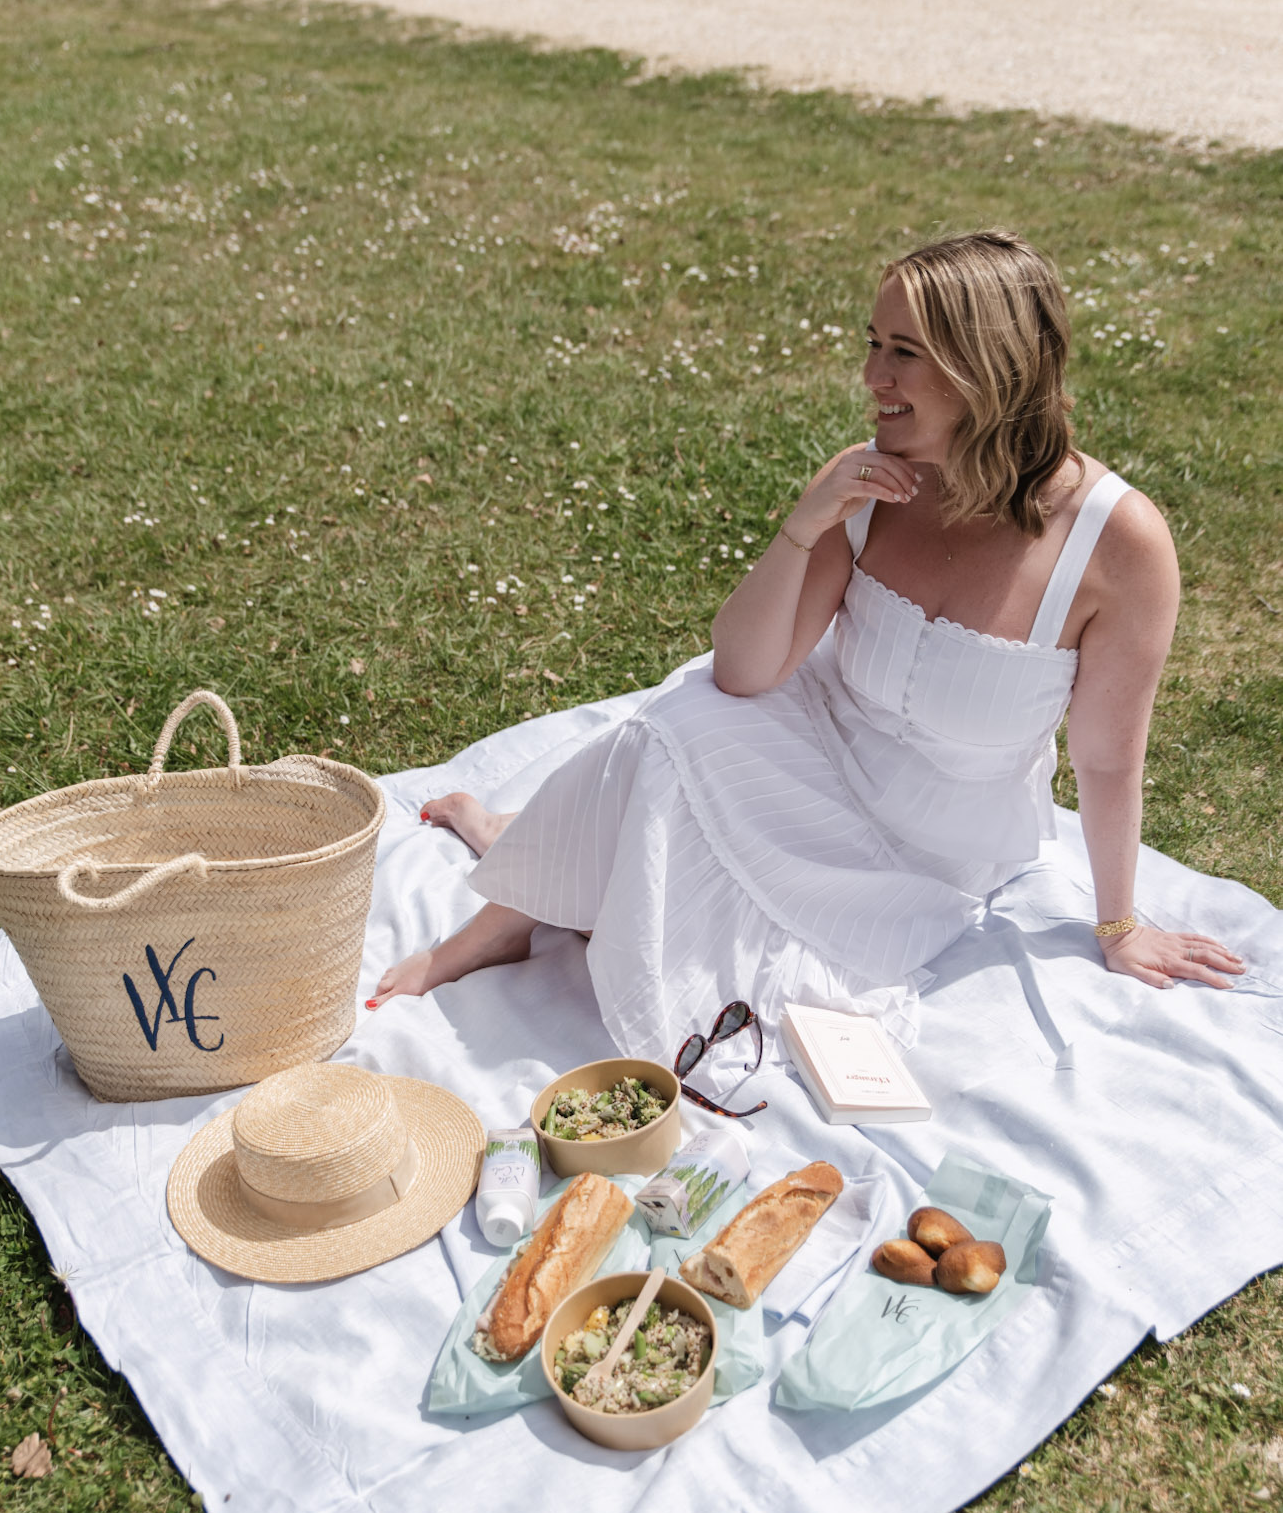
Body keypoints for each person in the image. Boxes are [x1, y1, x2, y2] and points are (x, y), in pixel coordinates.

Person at [373, 230, 1243, 1058]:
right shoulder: (871, 479)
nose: (871, 375)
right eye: (874, 342)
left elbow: (1104, 762)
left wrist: (1119, 926)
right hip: (807, 744)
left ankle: (518, 840)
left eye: (903, 351)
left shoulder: (1117, 544)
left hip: (927, 852)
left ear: (987, 367)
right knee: (674, 723)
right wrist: (805, 521)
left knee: (693, 946)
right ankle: (491, 930)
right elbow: (746, 674)